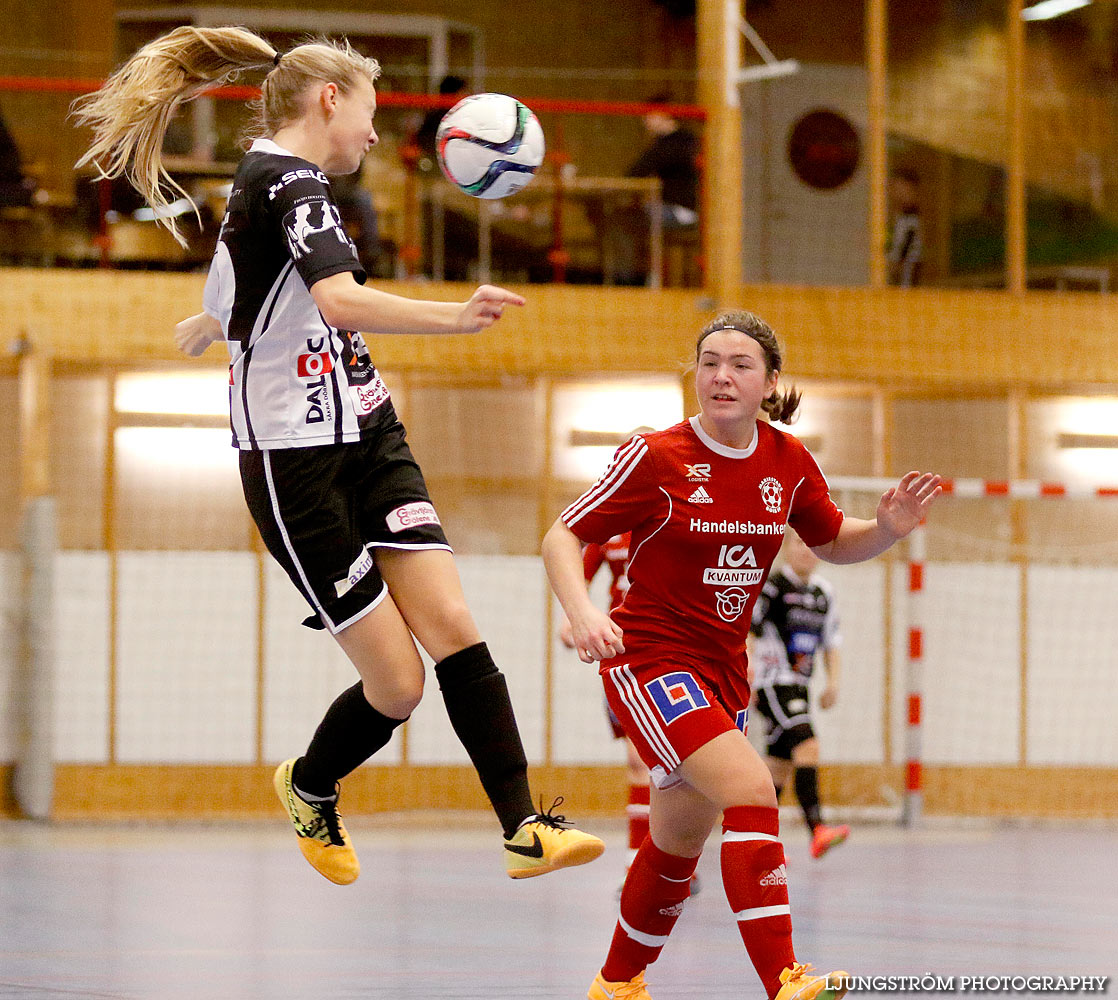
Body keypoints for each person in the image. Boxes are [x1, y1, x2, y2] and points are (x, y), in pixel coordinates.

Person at [74, 25, 603, 887]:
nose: (372, 132)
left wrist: (221, 323)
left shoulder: (274, 187)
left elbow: (246, 283)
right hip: (295, 465)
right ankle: (311, 785)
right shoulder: (287, 181)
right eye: (367, 112)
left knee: (456, 628)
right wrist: (454, 316)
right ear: (329, 101)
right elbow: (338, 298)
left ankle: (523, 827)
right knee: (397, 688)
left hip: (367, 431)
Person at [542, 310, 942, 1000]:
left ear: (770, 382)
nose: (721, 376)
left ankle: (616, 983)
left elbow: (834, 539)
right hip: (651, 660)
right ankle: (782, 978)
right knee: (754, 789)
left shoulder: (787, 461)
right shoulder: (656, 456)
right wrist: (582, 613)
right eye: (709, 362)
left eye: (740, 364)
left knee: (675, 846)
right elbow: (561, 536)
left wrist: (887, 529)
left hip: (724, 672)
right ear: (694, 375)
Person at [749, 530, 850, 859]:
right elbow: (750, 631)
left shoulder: (824, 593)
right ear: (787, 548)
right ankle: (817, 829)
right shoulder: (773, 586)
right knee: (808, 745)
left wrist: (832, 683)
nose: (806, 549)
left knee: (777, 766)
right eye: (799, 543)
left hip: (800, 686)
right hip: (773, 682)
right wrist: (746, 676)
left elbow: (831, 644)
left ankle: (755, 840)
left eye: (812, 543)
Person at [887, 169, 923, 287]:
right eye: (896, 189)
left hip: (904, 285)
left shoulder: (911, 223)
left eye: (904, 190)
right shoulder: (896, 220)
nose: (898, 193)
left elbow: (901, 259)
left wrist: (893, 267)